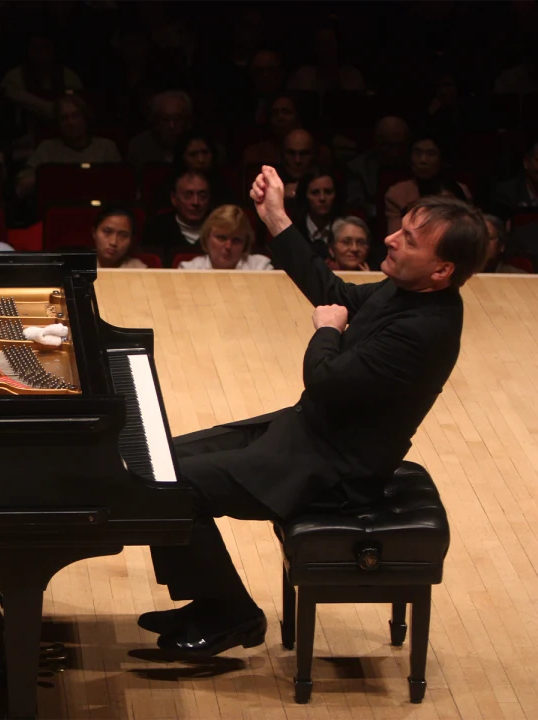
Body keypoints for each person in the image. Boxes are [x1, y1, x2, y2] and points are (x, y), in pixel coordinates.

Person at [141, 165, 488, 657]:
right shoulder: (405, 290)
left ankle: (231, 613)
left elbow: (325, 378)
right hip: (305, 434)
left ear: (443, 269)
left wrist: (326, 330)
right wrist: (277, 219)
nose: (389, 239)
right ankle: (213, 601)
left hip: (331, 471)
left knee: (174, 487)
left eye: (408, 239)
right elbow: (339, 296)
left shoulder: (424, 332)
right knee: (158, 462)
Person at [142, 170, 211, 267]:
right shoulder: (156, 228)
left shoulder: (218, 229)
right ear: (174, 199)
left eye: (202, 196)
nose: (196, 202)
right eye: (187, 196)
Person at [178, 205, 273, 270]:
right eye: (221, 238)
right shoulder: (189, 270)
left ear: (246, 243)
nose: (228, 246)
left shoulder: (261, 267)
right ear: (207, 238)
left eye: (236, 240)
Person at [293, 168, 343, 258]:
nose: (322, 198)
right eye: (315, 193)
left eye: (328, 192)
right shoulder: (293, 231)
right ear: (305, 196)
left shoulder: (345, 229)